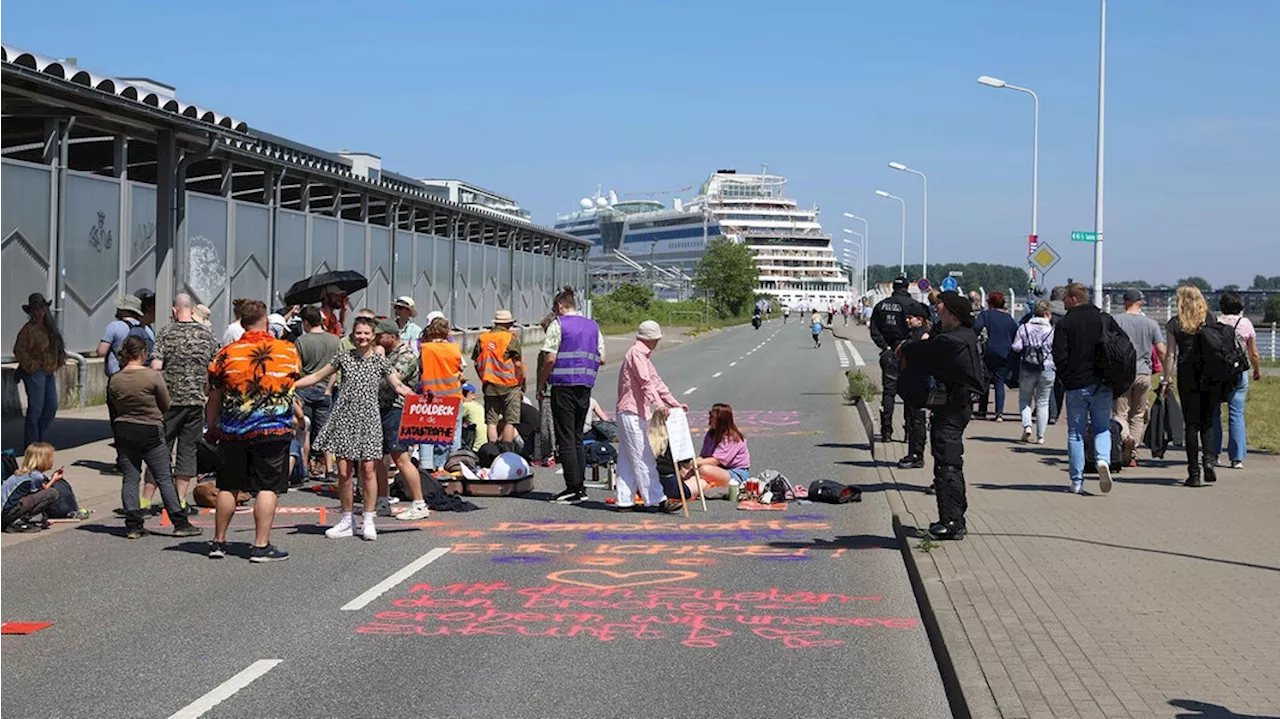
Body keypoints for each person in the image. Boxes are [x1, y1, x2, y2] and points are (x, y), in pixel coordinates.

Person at [297, 316, 413, 541]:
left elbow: (397, 385)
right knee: (343, 472)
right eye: (358, 333)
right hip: (344, 418)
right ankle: (346, 519)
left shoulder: (380, 361)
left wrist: (418, 397)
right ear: (353, 334)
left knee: (368, 470)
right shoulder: (343, 357)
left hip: (369, 418)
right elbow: (317, 376)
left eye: (367, 333)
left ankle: (368, 519)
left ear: (373, 336)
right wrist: (289, 384)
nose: (362, 337)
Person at [205, 300, 300, 561]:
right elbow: (292, 383)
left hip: (233, 428)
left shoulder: (224, 354)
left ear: (240, 322)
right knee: (267, 487)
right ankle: (260, 545)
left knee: (228, 486)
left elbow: (213, 397)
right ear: (266, 321)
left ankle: (218, 542)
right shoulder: (287, 350)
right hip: (273, 428)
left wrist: (212, 426)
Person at [898, 291, 983, 540]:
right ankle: (950, 518)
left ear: (954, 316)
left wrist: (907, 347)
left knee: (948, 462)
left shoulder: (955, 340)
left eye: (941, 309)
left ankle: (953, 521)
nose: (937, 311)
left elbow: (927, 350)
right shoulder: (957, 335)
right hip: (952, 406)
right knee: (945, 461)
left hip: (954, 407)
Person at [109, 336, 200, 539]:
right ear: (143, 353)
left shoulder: (115, 379)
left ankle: (133, 524)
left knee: (130, 478)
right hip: (150, 429)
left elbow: (113, 408)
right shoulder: (152, 377)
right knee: (164, 477)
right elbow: (166, 404)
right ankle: (180, 522)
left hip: (123, 429)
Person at [151, 293, 219, 514]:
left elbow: (156, 368)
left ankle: (147, 498)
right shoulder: (206, 335)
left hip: (168, 402)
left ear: (174, 311)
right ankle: (180, 500)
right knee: (187, 451)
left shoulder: (165, 333)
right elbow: (216, 368)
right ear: (192, 310)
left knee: (161, 449)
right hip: (196, 402)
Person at [1161, 286, 1233, 487]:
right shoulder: (1210, 320)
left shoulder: (1175, 323)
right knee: (1208, 422)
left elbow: (1171, 354)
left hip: (1187, 375)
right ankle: (1209, 460)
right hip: (1211, 375)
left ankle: (1194, 473)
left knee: (1191, 426)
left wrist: (1166, 379)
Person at [539, 287, 606, 505]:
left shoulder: (558, 324)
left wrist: (542, 384)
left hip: (562, 385)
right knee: (577, 436)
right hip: (585, 386)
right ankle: (580, 486)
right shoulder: (593, 326)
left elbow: (550, 358)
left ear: (559, 306)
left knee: (565, 438)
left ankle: (572, 487)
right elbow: (602, 357)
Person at [612, 320, 684, 512]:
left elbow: (656, 382)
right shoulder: (636, 353)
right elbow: (646, 382)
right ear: (649, 339)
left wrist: (673, 402)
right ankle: (656, 499)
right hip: (631, 411)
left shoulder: (643, 355)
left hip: (634, 412)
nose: (657, 342)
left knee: (628, 459)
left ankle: (624, 500)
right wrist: (659, 405)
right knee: (644, 457)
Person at [1052, 283, 1114, 495]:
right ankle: (1103, 460)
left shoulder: (1065, 324)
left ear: (1073, 299)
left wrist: (1066, 378)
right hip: (1103, 384)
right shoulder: (1103, 319)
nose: (1064, 303)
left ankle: (1077, 481)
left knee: (1076, 434)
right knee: (1102, 427)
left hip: (1077, 385)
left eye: (1066, 299)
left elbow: (1059, 357)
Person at [374, 318, 431, 521]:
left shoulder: (405, 355)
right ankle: (382, 499)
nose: (376, 339)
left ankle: (418, 503)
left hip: (398, 409)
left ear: (392, 336)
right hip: (380, 408)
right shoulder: (385, 354)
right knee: (378, 457)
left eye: (380, 336)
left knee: (401, 456)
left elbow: (392, 380)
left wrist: (378, 361)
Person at [1110, 289, 1167, 466]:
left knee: (1120, 413)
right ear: (1140, 302)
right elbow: (1161, 350)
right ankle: (1132, 450)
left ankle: (1125, 438)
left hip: (1121, 374)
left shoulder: (1116, 321)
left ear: (1125, 301)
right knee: (1139, 414)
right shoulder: (1151, 324)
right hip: (1143, 373)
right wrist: (1167, 374)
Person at [1210, 291, 1263, 469]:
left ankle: (1214, 453)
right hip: (1239, 372)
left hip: (1216, 373)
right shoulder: (1245, 323)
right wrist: (1256, 370)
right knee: (1236, 413)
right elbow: (1253, 352)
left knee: (1214, 414)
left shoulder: (1215, 322)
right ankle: (1237, 457)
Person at [870, 276, 923, 443]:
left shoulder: (881, 305)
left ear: (893, 287)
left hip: (889, 353)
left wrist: (884, 346)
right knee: (909, 394)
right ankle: (908, 432)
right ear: (907, 288)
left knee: (889, 392)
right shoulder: (912, 305)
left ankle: (886, 431)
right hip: (908, 353)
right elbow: (920, 328)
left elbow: (874, 329)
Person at [13, 293, 66, 447]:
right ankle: (32, 443)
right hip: (35, 372)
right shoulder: (28, 330)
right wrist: (32, 366)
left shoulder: (50, 328)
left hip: (49, 371)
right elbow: (19, 350)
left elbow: (57, 347)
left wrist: (58, 361)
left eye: (40, 309)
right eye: (34, 310)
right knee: (36, 408)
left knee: (51, 407)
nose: (38, 313)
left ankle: (38, 437)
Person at [294, 306, 341, 478]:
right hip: (326, 388)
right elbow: (336, 368)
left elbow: (297, 367)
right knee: (325, 430)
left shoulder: (301, 341)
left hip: (304, 387)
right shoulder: (335, 341)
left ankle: (305, 467)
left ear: (306, 322)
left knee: (305, 427)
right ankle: (329, 469)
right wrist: (329, 387)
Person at [417, 315, 467, 472]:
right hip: (453, 396)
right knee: (453, 432)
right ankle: (454, 465)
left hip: (431, 396)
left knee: (427, 432)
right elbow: (460, 369)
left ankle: (426, 465)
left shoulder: (425, 349)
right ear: (447, 332)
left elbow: (420, 369)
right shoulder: (454, 348)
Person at [473, 309, 524, 444]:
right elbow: (517, 364)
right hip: (510, 385)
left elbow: (476, 363)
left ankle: (492, 451)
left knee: (491, 421)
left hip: (490, 386)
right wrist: (520, 381)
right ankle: (506, 451)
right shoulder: (510, 338)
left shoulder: (483, 338)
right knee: (510, 421)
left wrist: (484, 378)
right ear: (508, 324)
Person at [1012, 300, 1056, 445]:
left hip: (1027, 367)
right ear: (1047, 313)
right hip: (1047, 368)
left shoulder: (1024, 328)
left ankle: (1027, 426)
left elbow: (1017, 347)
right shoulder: (1051, 330)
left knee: (1025, 399)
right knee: (1043, 402)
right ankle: (1041, 436)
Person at [896, 303, 932, 470]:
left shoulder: (924, 336)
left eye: (910, 318)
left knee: (917, 421)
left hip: (919, 383)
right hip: (910, 383)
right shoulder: (912, 334)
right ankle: (912, 452)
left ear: (920, 319)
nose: (907, 320)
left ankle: (917, 455)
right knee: (910, 420)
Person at [974, 291, 1019, 421]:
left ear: (989, 302)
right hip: (1006, 353)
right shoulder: (1009, 318)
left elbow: (977, 328)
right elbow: (1016, 333)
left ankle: (982, 410)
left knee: (985, 380)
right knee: (999, 381)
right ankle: (999, 413)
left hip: (990, 350)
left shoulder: (986, 315)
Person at [0, 443, 62, 532]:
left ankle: (15, 520)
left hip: (4, 511)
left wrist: (53, 479)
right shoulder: (35, 476)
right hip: (8, 512)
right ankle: (18, 522)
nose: (53, 460)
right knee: (52, 493)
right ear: (43, 460)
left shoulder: (24, 472)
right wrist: (53, 480)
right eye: (51, 457)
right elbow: (41, 494)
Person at [689, 403, 751, 488]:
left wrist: (693, 463)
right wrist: (690, 465)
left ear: (722, 420)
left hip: (734, 473)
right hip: (716, 469)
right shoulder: (711, 434)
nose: (709, 419)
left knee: (703, 470)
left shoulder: (731, 438)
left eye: (713, 417)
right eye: (710, 415)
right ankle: (687, 489)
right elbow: (703, 457)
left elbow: (716, 461)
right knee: (686, 471)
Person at [98, 295, 152, 378]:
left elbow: (101, 352)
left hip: (118, 375)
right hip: (142, 376)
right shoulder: (147, 329)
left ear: (123, 310)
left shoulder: (114, 326)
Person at [460, 383, 485, 452]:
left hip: (475, 437)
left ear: (473, 395)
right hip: (483, 436)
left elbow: (456, 419)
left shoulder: (466, 405)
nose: (462, 396)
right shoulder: (478, 405)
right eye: (461, 393)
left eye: (465, 394)